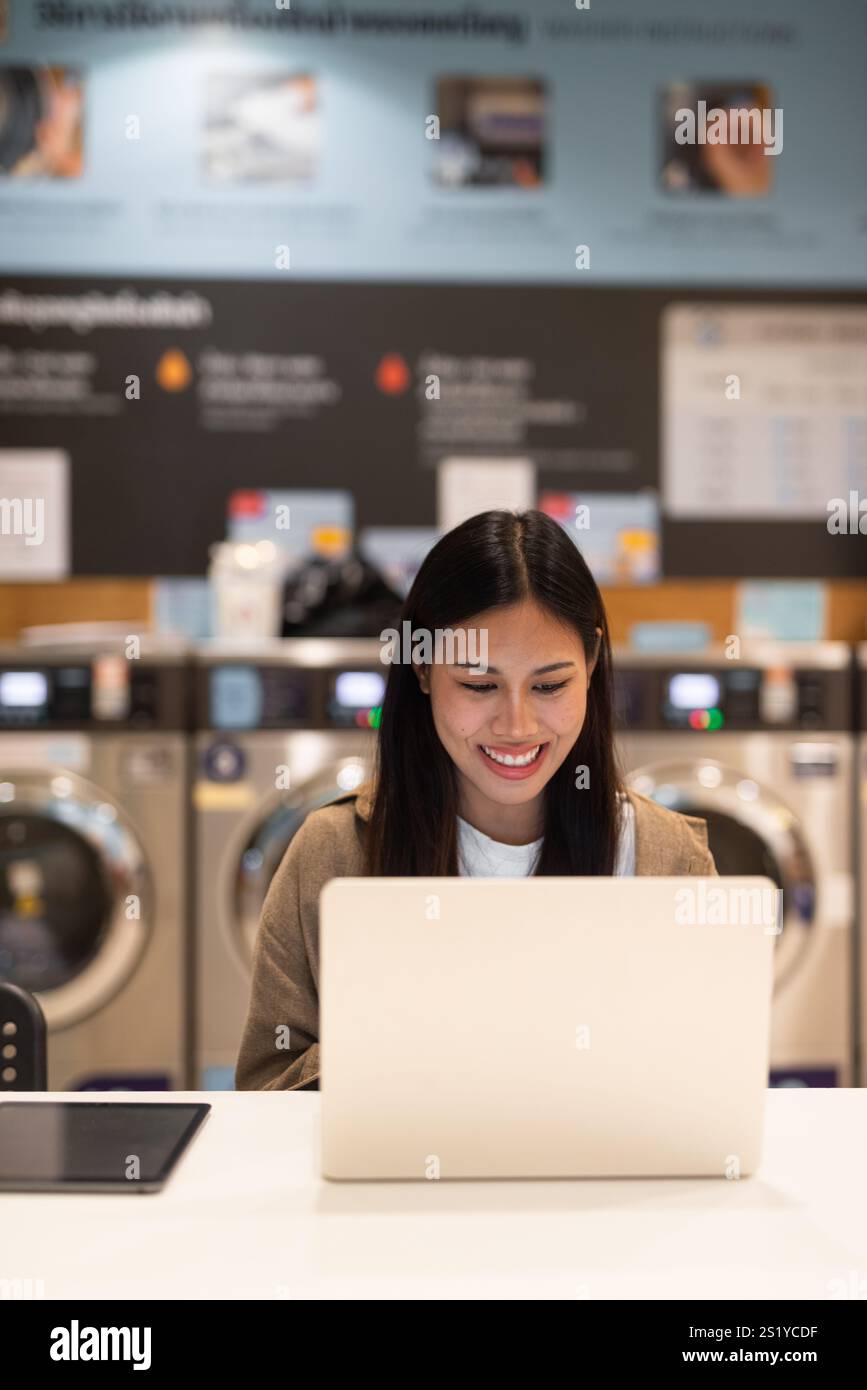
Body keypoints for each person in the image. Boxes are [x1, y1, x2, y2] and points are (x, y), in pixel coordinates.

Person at [236, 509, 716, 1091]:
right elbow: (267, 1092)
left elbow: (708, 1089)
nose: (516, 726)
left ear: (590, 665)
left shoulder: (668, 860)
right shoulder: (333, 853)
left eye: (549, 685)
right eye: (479, 685)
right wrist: (426, 1033)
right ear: (422, 668)